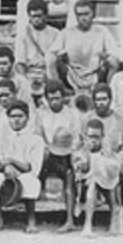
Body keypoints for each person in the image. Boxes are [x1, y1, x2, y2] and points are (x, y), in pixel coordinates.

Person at [0, 100, 45, 234]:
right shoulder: (0, 137)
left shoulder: (35, 139)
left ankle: (31, 220)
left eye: (20, 116)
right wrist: (6, 167)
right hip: (4, 172)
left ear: (27, 118)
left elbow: (32, 166)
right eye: (12, 117)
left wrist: (11, 161)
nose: (16, 120)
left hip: (25, 173)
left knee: (31, 182)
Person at [47, 0, 120, 96]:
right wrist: (60, 55)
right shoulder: (67, 33)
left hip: (96, 76)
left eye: (86, 14)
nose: (83, 18)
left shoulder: (102, 31)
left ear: (93, 14)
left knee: (113, 61)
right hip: (71, 75)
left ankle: (109, 92)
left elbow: (115, 53)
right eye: (79, 15)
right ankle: (58, 92)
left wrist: (105, 56)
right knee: (51, 59)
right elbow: (51, 53)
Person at [72, 118, 123, 235]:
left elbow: (114, 170)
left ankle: (113, 224)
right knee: (93, 185)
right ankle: (88, 226)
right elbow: (81, 169)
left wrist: (108, 162)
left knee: (112, 189)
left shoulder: (107, 151)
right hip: (86, 185)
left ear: (102, 137)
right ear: (85, 136)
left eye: (96, 137)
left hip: (106, 182)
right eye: (90, 136)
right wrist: (84, 158)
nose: (93, 140)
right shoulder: (81, 150)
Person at [37, 79, 81, 220]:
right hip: (47, 151)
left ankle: (70, 208)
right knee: (40, 154)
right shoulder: (41, 113)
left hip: (66, 153)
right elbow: (37, 134)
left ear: (63, 97)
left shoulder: (72, 114)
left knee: (71, 168)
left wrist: (70, 150)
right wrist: (46, 147)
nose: (54, 102)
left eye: (57, 98)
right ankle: (39, 189)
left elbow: (76, 138)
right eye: (51, 99)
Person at [15, 0, 60, 104]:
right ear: (29, 17)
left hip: (48, 73)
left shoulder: (55, 34)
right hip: (29, 73)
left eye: (39, 16)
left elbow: (58, 60)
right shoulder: (23, 35)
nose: (36, 19)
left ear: (45, 15)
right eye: (33, 16)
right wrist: (25, 82)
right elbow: (20, 62)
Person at [81, 83, 123, 156]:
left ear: (110, 100)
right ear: (94, 101)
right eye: (98, 99)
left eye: (104, 99)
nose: (101, 103)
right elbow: (81, 144)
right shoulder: (86, 119)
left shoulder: (119, 120)